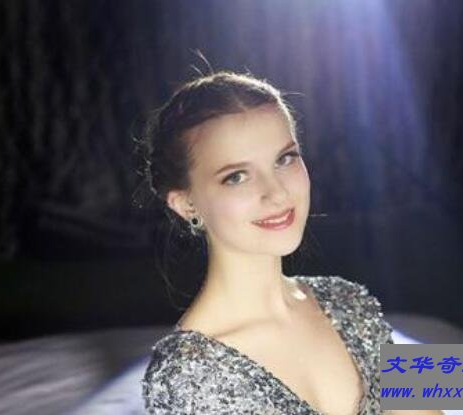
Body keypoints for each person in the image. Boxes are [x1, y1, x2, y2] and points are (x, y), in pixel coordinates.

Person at [138, 70, 441, 415]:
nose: (277, 193)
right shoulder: (187, 378)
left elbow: (461, 385)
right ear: (186, 204)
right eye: (236, 177)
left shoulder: (346, 302)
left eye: (285, 159)